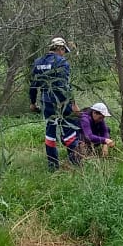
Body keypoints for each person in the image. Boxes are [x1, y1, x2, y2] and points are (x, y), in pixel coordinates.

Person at [30, 37, 80, 171]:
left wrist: (33, 102)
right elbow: (65, 86)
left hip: (46, 102)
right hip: (61, 102)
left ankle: (53, 166)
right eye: (64, 51)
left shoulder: (38, 62)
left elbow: (34, 85)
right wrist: (73, 104)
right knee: (69, 130)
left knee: (50, 132)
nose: (64, 54)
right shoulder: (61, 62)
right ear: (60, 48)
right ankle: (75, 161)